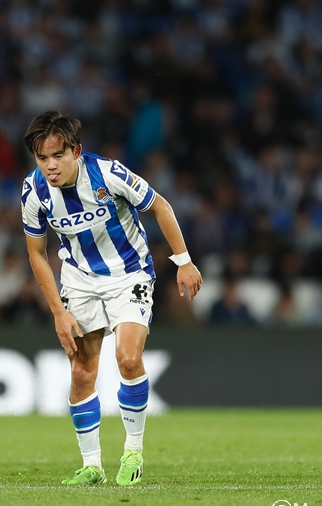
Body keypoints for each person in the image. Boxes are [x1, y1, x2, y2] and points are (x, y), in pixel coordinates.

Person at [20, 111, 202, 485]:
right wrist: (57, 312)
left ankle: (132, 452)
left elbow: (160, 206)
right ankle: (92, 466)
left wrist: (183, 261)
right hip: (79, 282)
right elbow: (37, 253)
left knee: (128, 358)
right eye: (42, 158)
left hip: (129, 273)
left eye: (58, 156)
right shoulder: (33, 192)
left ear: (76, 151)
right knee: (82, 371)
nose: (50, 166)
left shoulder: (108, 173)